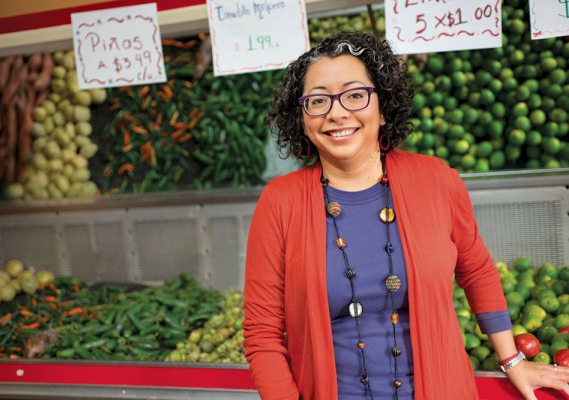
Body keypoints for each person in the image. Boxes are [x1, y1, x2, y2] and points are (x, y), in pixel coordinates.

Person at [241, 31, 569, 400]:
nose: (336, 112)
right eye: (317, 101)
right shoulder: (280, 201)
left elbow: (476, 269)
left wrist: (512, 360)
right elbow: (262, 332)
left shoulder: (436, 180)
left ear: (383, 108)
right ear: (301, 118)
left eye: (354, 95)